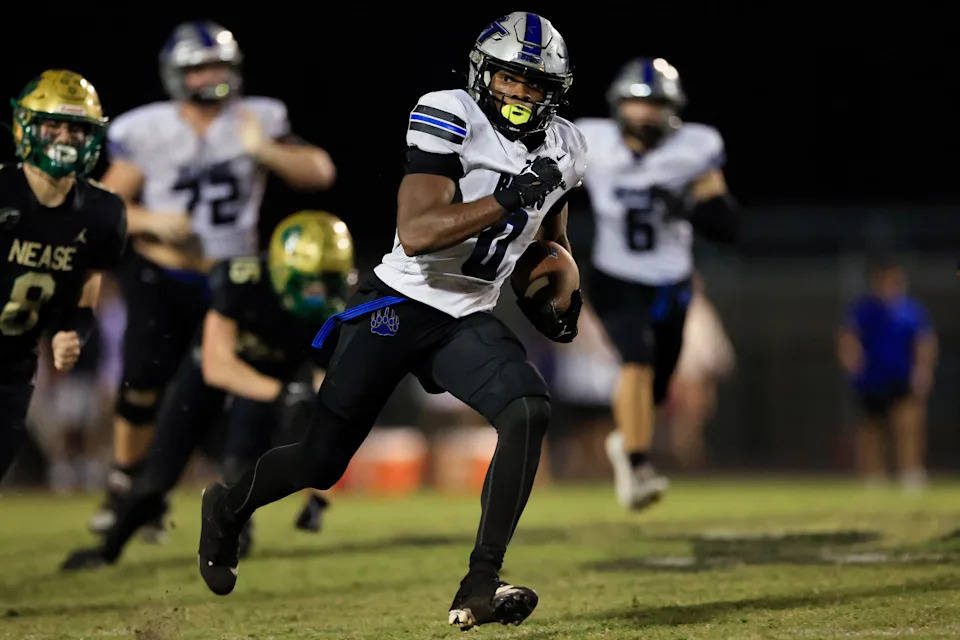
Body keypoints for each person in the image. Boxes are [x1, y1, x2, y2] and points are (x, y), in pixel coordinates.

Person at [195, 11, 586, 630]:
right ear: (485, 75)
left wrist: (557, 290)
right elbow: (419, 231)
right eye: (510, 80)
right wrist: (509, 194)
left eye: (533, 85)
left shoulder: (567, 146)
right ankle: (227, 507)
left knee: (528, 409)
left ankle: (480, 582)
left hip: (466, 312)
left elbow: (544, 239)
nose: (519, 94)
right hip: (400, 303)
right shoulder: (448, 111)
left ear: (553, 93)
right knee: (323, 462)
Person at [89, 20, 336, 537]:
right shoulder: (148, 129)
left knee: (228, 393)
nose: (209, 77)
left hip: (231, 277)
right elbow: (104, 206)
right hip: (164, 273)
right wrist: (154, 220)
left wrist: (264, 150)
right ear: (177, 74)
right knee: (143, 383)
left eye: (218, 66)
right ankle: (124, 485)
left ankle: (230, 497)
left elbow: (319, 171)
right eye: (199, 67)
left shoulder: (257, 119)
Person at [61, 211, 351, 570]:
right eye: (313, 282)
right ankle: (108, 549)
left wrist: (317, 492)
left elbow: (328, 392)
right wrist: (285, 394)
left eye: (331, 280)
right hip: (211, 372)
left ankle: (233, 536)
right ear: (284, 270)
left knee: (242, 465)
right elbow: (218, 365)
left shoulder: (331, 313)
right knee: (157, 478)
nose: (321, 293)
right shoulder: (243, 279)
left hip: (269, 383)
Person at [575, 57, 740, 510]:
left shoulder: (693, 148)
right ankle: (637, 461)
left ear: (673, 108)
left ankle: (626, 440)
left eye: (656, 104)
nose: (644, 114)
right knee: (636, 358)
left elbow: (727, 224)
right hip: (614, 274)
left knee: (659, 386)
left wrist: (686, 204)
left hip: (671, 282)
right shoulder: (593, 141)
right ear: (618, 105)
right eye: (635, 103)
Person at [0, 69, 127, 484]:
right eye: (52, 124)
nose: (64, 137)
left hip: (15, 364)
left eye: (76, 128)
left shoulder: (103, 213)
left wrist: (70, 332)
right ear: (26, 127)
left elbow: (85, 304)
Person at [837, 257, 937, 491]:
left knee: (909, 424)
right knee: (872, 428)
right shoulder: (863, 310)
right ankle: (874, 475)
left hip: (901, 376)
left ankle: (911, 472)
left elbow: (924, 342)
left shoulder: (911, 310)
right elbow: (847, 337)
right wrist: (851, 360)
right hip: (872, 378)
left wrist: (923, 370)